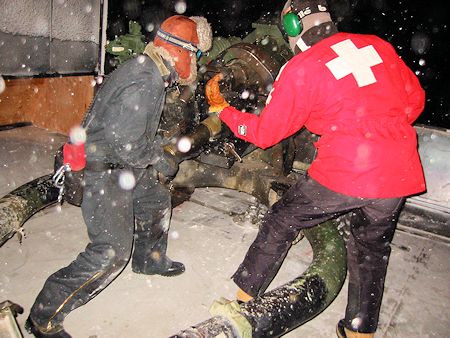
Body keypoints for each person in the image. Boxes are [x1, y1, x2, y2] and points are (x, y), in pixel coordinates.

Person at [205, 0, 425, 337]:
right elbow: (415, 101)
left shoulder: (303, 65)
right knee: (370, 247)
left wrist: (224, 112)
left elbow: (265, 134)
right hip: (398, 172)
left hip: (347, 169)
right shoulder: (378, 46)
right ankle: (359, 330)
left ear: (292, 28)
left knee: (282, 220)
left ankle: (242, 299)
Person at [25, 15, 212, 338]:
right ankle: (44, 316)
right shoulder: (147, 81)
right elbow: (127, 146)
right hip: (103, 171)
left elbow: (130, 133)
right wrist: (159, 158)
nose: (194, 60)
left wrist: (154, 148)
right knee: (110, 252)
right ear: (178, 51)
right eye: (194, 53)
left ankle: (149, 259)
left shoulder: (147, 68)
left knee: (156, 198)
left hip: (117, 160)